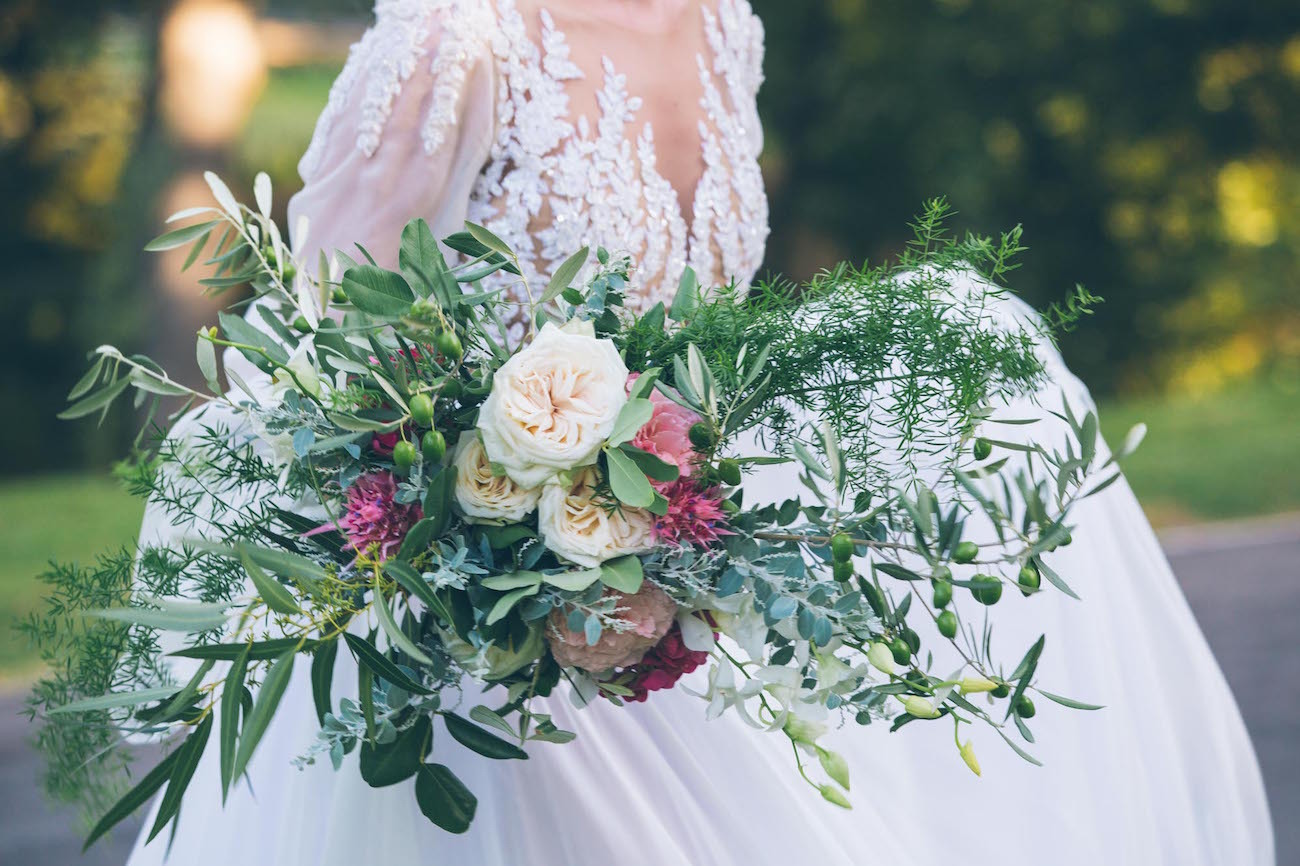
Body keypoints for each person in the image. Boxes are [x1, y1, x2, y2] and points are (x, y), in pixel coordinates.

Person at [128, 1, 1274, 863]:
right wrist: (534, 526)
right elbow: (328, 337)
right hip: (496, 594)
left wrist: (682, 511)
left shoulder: (724, 18)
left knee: (981, 343)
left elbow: (700, 322)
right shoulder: (457, 34)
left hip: (692, 542)